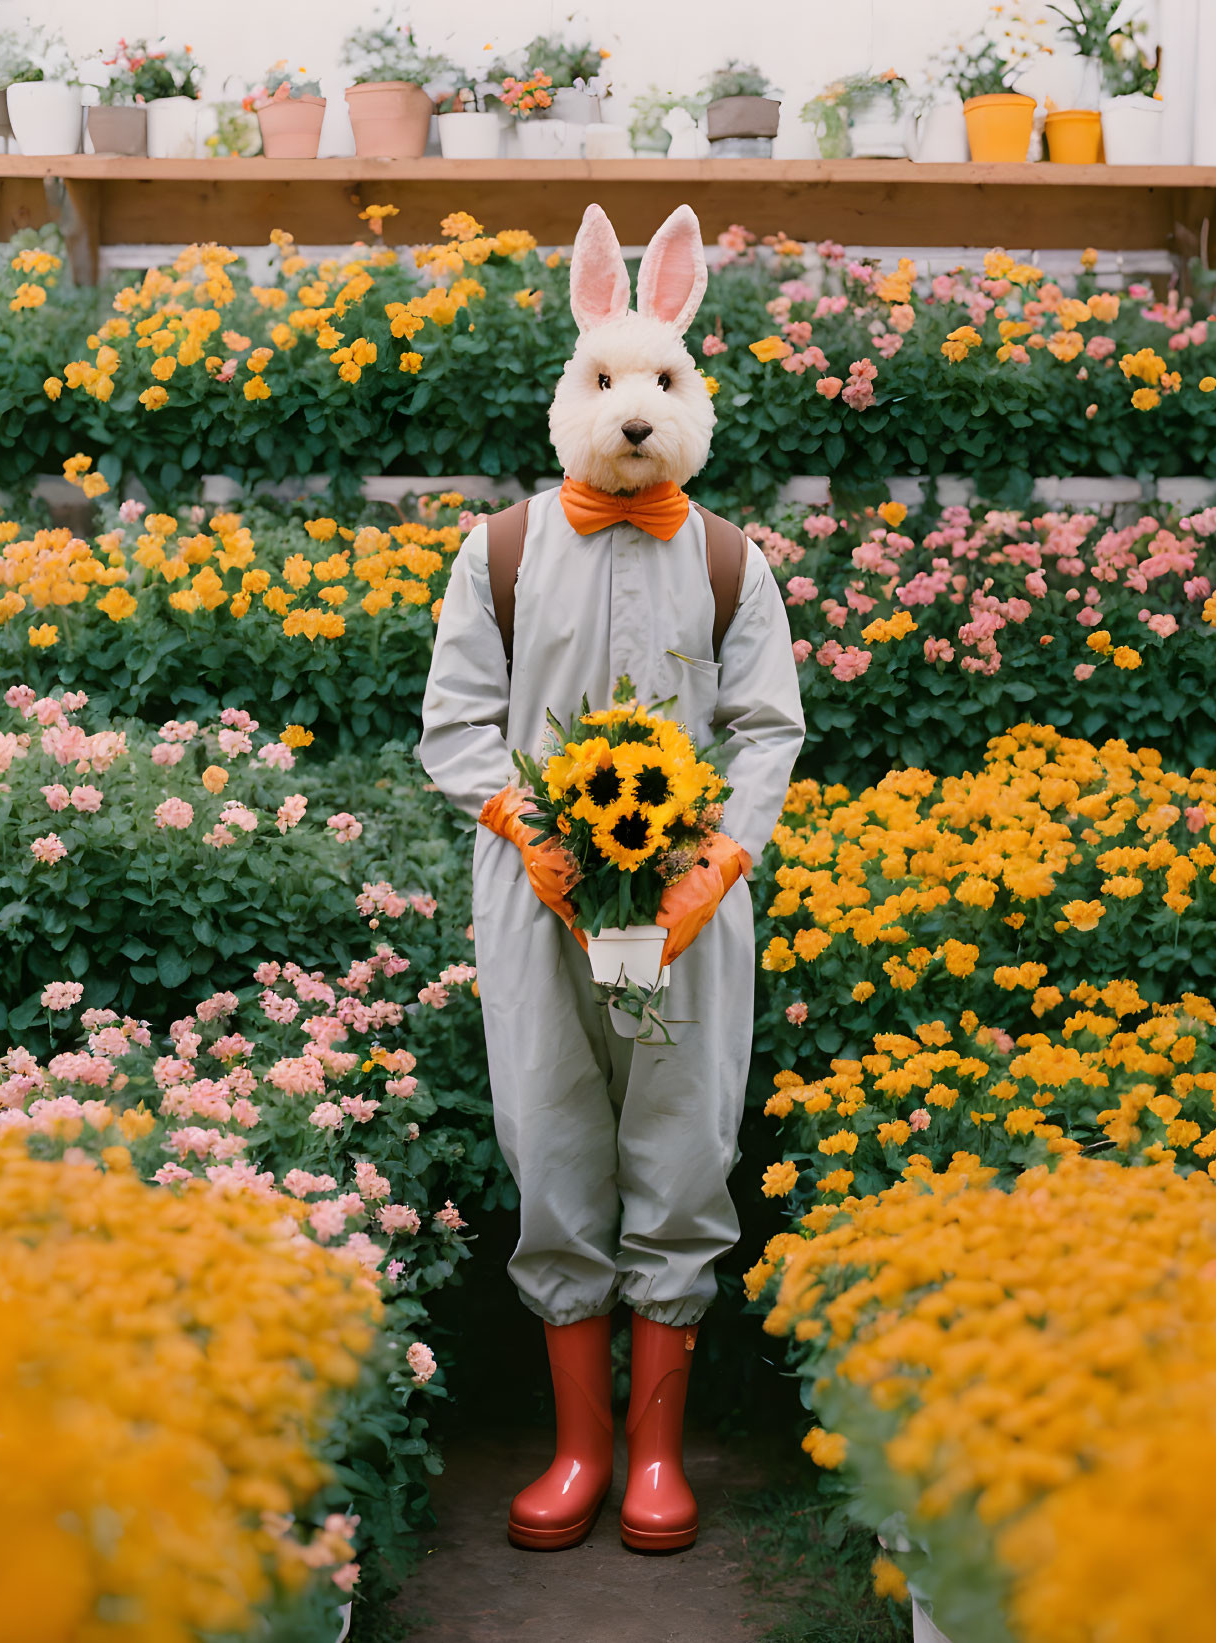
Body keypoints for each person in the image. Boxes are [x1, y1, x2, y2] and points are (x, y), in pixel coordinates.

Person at [419, 202, 804, 1554]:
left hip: (684, 922)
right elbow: (456, 723)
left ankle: (656, 1453)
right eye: (604, 381)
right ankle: (579, 1445)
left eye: (661, 382)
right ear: (568, 390)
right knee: (553, 1134)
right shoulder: (504, 551)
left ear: (691, 394)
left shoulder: (727, 560)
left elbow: (764, 728)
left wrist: (715, 860)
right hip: (538, 908)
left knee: (682, 1141)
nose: (633, 410)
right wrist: (528, 830)